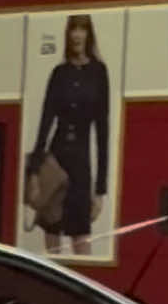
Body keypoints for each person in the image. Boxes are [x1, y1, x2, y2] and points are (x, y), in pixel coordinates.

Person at [29, 14, 109, 256]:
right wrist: (33, 172)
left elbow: (103, 130)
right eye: (73, 29)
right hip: (56, 160)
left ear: (88, 34)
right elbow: (45, 123)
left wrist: (100, 189)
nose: (77, 34)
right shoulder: (59, 73)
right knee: (52, 235)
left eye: (82, 29)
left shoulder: (98, 71)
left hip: (81, 164)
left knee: (81, 238)